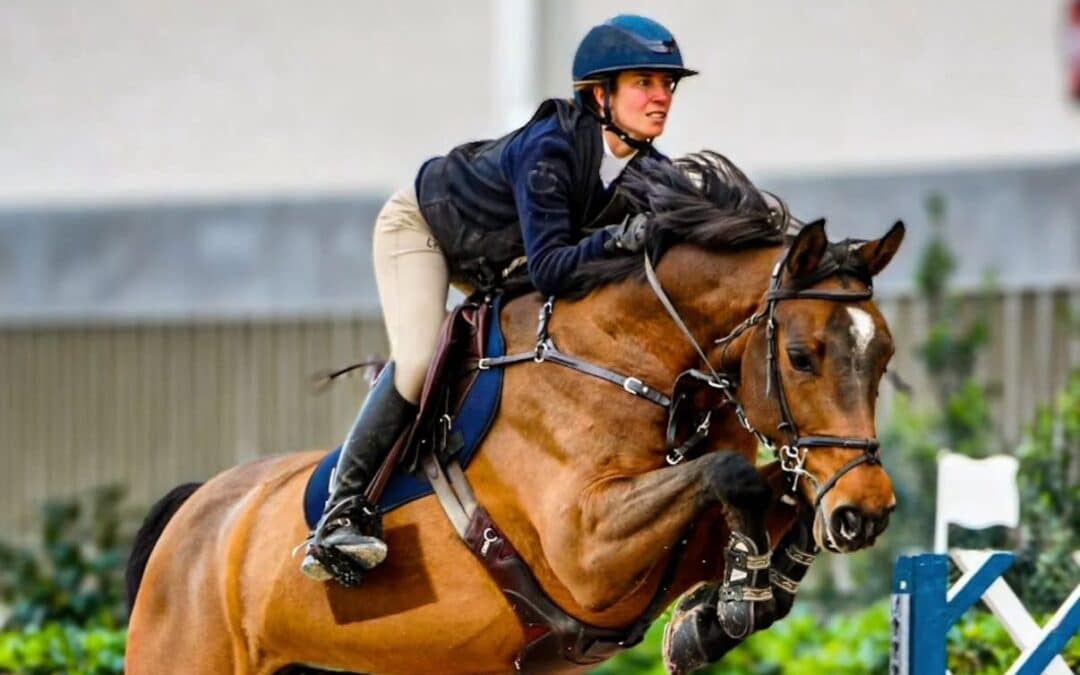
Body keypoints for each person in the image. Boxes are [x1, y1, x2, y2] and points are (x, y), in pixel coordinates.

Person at [301, 14, 698, 582]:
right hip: (426, 229)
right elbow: (555, 269)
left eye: (668, 85)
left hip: (501, 259)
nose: (662, 97)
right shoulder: (552, 147)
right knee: (418, 359)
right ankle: (341, 513)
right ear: (599, 94)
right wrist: (616, 239)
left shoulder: (651, 173)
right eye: (644, 83)